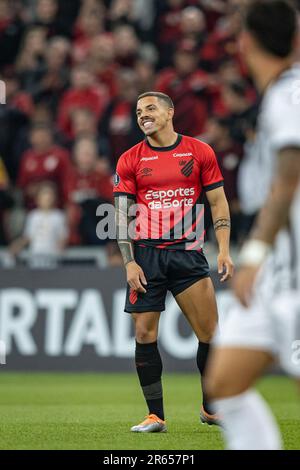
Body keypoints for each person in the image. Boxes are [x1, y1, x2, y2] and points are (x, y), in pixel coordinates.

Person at [206, 0, 300, 450]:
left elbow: (287, 182)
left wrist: (253, 254)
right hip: (273, 279)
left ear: (245, 43)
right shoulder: (279, 95)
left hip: (291, 276)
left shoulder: (290, 95)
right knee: (224, 385)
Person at [113, 91, 234, 432]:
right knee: (143, 333)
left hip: (188, 252)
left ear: (169, 113)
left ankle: (211, 408)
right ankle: (156, 416)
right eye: (138, 111)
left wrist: (223, 249)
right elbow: (121, 216)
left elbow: (218, 203)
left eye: (150, 108)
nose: (143, 115)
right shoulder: (130, 159)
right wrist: (129, 262)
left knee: (210, 333)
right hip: (146, 256)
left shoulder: (199, 151)